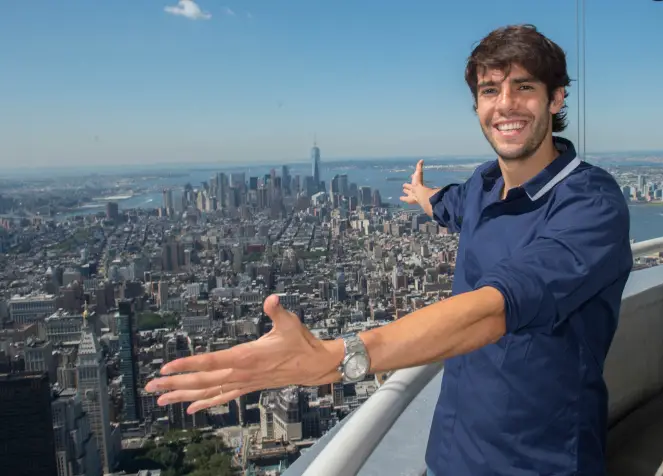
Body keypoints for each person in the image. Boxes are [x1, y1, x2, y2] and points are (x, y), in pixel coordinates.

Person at [145, 24, 633, 475]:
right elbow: (450, 206)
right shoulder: (483, 187)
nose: (505, 104)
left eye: (524, 87)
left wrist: (342, 356)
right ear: (477, 106)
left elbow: (500, 306)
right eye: (490, 90)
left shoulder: (590, 204)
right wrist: (422, 196)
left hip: (539, 461)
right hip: (451, 450)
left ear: (556, 98)